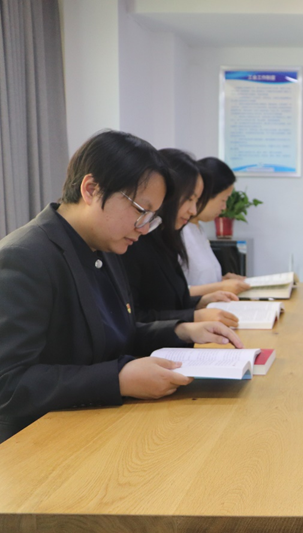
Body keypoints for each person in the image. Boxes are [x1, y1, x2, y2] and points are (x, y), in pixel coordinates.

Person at [0, 130, 244, 443]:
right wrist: (118, 379)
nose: (144, 228)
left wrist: (182, 330)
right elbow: (9, 383)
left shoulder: (106, 245)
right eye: (140, 211)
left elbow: (118, 333)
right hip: (42, 443)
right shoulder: (26, 256)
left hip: (101, 425)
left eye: (152, 217)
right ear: (91, 189)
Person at [122, 149, 239, 327]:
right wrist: (194, 316)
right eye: (190, 199)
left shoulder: (167, 237)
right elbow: (135, 318)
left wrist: (200, 302)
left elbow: (174, 300)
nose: (193, 211)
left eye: (196, 201)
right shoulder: (134, 241)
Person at [180, 157, 250, 296]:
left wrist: (223, 281)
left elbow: (200, 280)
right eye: (223, 200)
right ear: (205, 195)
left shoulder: (198, 230)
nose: (224, 208)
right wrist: (220, 286)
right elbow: (175, 292)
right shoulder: (179, 231)